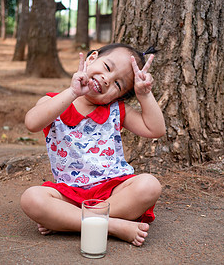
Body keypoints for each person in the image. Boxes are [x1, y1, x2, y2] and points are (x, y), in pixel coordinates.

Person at [20, 43, 166, 247]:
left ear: (118, 96)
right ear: (91, 59)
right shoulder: (56, 102)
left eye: (118, 84)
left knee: (150, 185)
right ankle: (113, 225)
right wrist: (72, 93)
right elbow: (32, 123)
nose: (107, 79)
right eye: (107, 67)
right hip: (68, 194)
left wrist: (144, 95)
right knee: (31, 198)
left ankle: (68, 221)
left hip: (113, 193)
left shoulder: (116, 110)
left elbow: (156, 130)